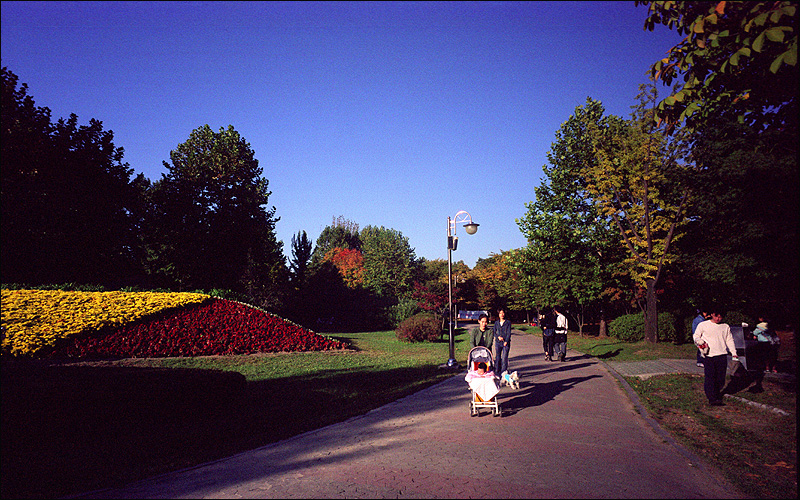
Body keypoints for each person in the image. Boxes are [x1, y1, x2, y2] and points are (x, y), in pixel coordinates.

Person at [693, 307, 739, 406]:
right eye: (716, 316)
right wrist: (699, 341)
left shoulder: (725, 327)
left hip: (722, 355)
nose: (718, 319)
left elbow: (729, 340)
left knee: (720, 378)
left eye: (720, 317)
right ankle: (712, 398)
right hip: (709, 356)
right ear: (712, 314)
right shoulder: (703, 325)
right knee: (710, 377)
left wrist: (733, 352)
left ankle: (717, 394)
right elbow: (696, 336)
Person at [493, 308, 512, 375]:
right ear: (498, 314)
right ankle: (497, 371)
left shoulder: (508, 322)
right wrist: (498, 337)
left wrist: (506, 341)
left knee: (504, 358)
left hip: (505, 343)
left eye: (503, 313)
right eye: (500, 313)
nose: (502, 314)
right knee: (498, 357)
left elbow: (509, 333)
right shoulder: (496, 323)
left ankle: (503, 372)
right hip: (498, 343)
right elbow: (494, 332)